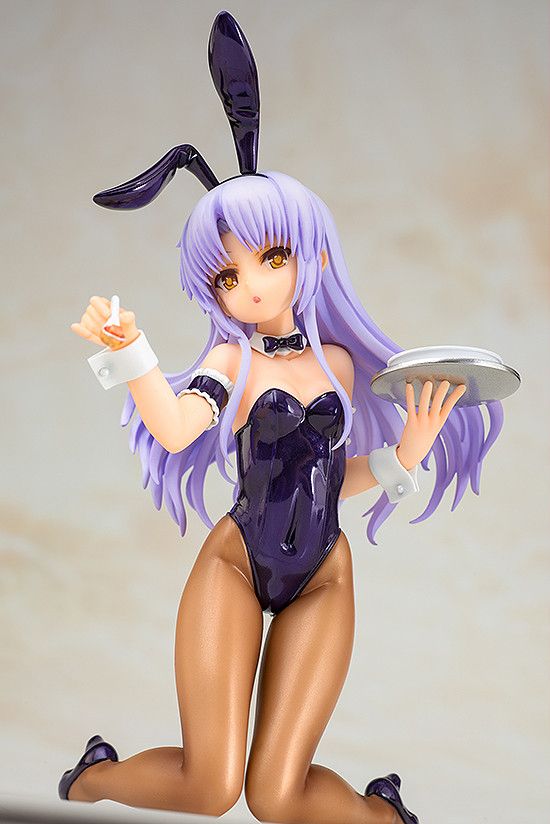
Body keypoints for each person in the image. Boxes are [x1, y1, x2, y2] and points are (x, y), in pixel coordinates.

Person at [60, 13, 503, 824]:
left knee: (274, 797)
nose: (251, 286)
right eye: (228, 276)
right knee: (212, 787)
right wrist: (134, 353)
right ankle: (94, 776)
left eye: (270, 257)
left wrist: (408, 452)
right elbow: (176, 428)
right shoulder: (231, 362)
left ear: (312, 255)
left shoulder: (338, 364)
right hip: (236, 564)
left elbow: (338, 477)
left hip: (323, 574)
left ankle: (382, 813)